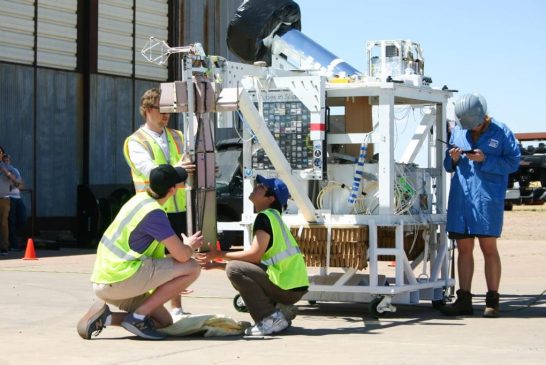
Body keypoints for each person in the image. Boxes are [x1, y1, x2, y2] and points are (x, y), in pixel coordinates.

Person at [77, 164, 203, 340]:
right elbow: (182, 255)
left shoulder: (139, 200)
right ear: (173, 189)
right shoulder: (154, 214)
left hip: (107, 280)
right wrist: (189, 245)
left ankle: (105, 319)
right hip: (121, 279)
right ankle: (137, 317)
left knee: (163, 322)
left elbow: (153, 258)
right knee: (192, 267)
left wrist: (170, 282)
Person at [196, 175, 309, 336]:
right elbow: (256, 265)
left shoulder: (265, 217)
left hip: (286, 287)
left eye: (262, 187)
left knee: (234, 269)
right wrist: (217, 265)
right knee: (235, 267)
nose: (257, 186)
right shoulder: (274, 217)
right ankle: (280, 310)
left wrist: (218, 254)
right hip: (291, 286)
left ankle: (269, 319)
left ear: (270, 198)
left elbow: (254, 256)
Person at [440, 93, 520, 318]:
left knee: (488, 248)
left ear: (483, 117)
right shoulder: (458, 131)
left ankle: (492, 301)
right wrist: (454, 158)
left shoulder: (502, 132)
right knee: (464, 250)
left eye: (474, 126)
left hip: (487, 200)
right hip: (461, 200)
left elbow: (513, 162)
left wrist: (486, 159)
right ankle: (463, 299)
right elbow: (448, 165)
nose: (472, 130)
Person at [124, 88, 196, 317]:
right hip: (151, 209)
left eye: (168, 110)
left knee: (178, 258)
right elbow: (149, 170)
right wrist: (179, 170)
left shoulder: (178, 136)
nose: (166, 115)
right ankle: (151, 308)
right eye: (160, 109)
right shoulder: (136, 141)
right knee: (154, 261)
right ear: (146, 110)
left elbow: (189, 163)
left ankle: (176, 308)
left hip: (179, 207)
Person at [2, 154, 26, 251]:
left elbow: (20, 185)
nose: (6, 162)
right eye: (4, 161)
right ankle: (14, 244)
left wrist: (14, 181)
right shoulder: (2, 172)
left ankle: (13, 237)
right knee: (10, 221)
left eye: (8, 160)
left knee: (22, 218)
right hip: (9, 197)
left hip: (18, 197)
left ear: (10, 161)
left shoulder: (15, 170)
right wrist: (11, 178)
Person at [0, 146, 22, 256]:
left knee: (4, 223)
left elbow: (18, 182)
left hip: (4, 198)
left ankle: (4, 247)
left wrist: (7, 173)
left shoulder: (9, 168)